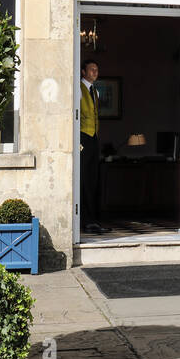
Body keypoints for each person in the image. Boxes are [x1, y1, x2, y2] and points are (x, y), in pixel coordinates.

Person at [79, 59, 107, 234]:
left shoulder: (94, 91)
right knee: (83, 180)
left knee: (93, 180)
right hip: (83, 138)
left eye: (97, 69)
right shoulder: (78, 89)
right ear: (83, 72)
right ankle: (84, 219)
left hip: (94, 138)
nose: (95, 72)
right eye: (91, 69)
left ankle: (93, 219)